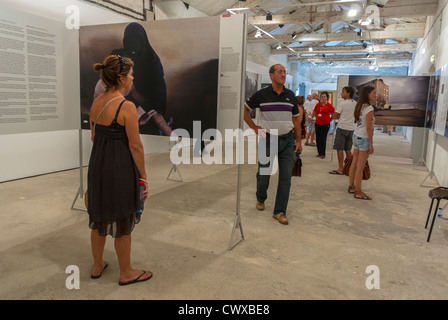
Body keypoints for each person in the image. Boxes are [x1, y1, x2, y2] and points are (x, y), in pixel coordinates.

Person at [88, 55, 153, 285]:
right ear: (122, 79)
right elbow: (135, 146)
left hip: (97, 167)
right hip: (120, 169)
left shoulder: (96, 102)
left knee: (99, 217)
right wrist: (143, 175)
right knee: (123, 220)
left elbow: (94, 137)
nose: (133, 78)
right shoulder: (127, 107)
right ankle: (126, 272)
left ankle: (97, 265)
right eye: (131, 75)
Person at [244, 64, 302, 225]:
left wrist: (299, 140)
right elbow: (244, 110)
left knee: (286, 179)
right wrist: (255, 127)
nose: (283, 74)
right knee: (264, 175)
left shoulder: (290, 95)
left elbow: (296, 119)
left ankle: (279, 211)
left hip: (288, 140)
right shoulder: (262, 95)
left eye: (284, 72)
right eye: (280, 72)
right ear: (271, 75)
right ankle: (260, 197)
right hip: (268, 139)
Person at [348, 85, 375, 200]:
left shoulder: (360, 106)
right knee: (360, 166)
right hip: (363, 138)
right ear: (367, 94)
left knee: (354, 163)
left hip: (356, 136)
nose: (375, 95)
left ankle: (351, 186)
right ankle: (358, 191)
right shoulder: (369, 109)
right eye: (373, 93)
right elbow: (369, 128)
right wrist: (371, 143)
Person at [329, 86, 356, 175]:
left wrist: (333, 115)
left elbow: (336, 115)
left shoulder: (342, 103)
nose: (341, 93)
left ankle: (341, 168)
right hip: (351, 128)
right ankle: (350, 167)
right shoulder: (355, 103)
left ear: (348, 93)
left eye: (343, 92)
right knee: (348, 149)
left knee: (339, 149)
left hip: (342, 128)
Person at [312, 91, 335, 158]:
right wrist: (313, 117)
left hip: (325, 124)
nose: (323, 98)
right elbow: (315, 112)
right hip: (317, 123)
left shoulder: (329, 105)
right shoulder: (318, 105)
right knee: (318, 138)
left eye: (324, 97)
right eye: (322, 97)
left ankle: (323, 154)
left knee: (323, 138)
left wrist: (329, 120)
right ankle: (319, 152)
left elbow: (333, 114)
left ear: (327, 98)